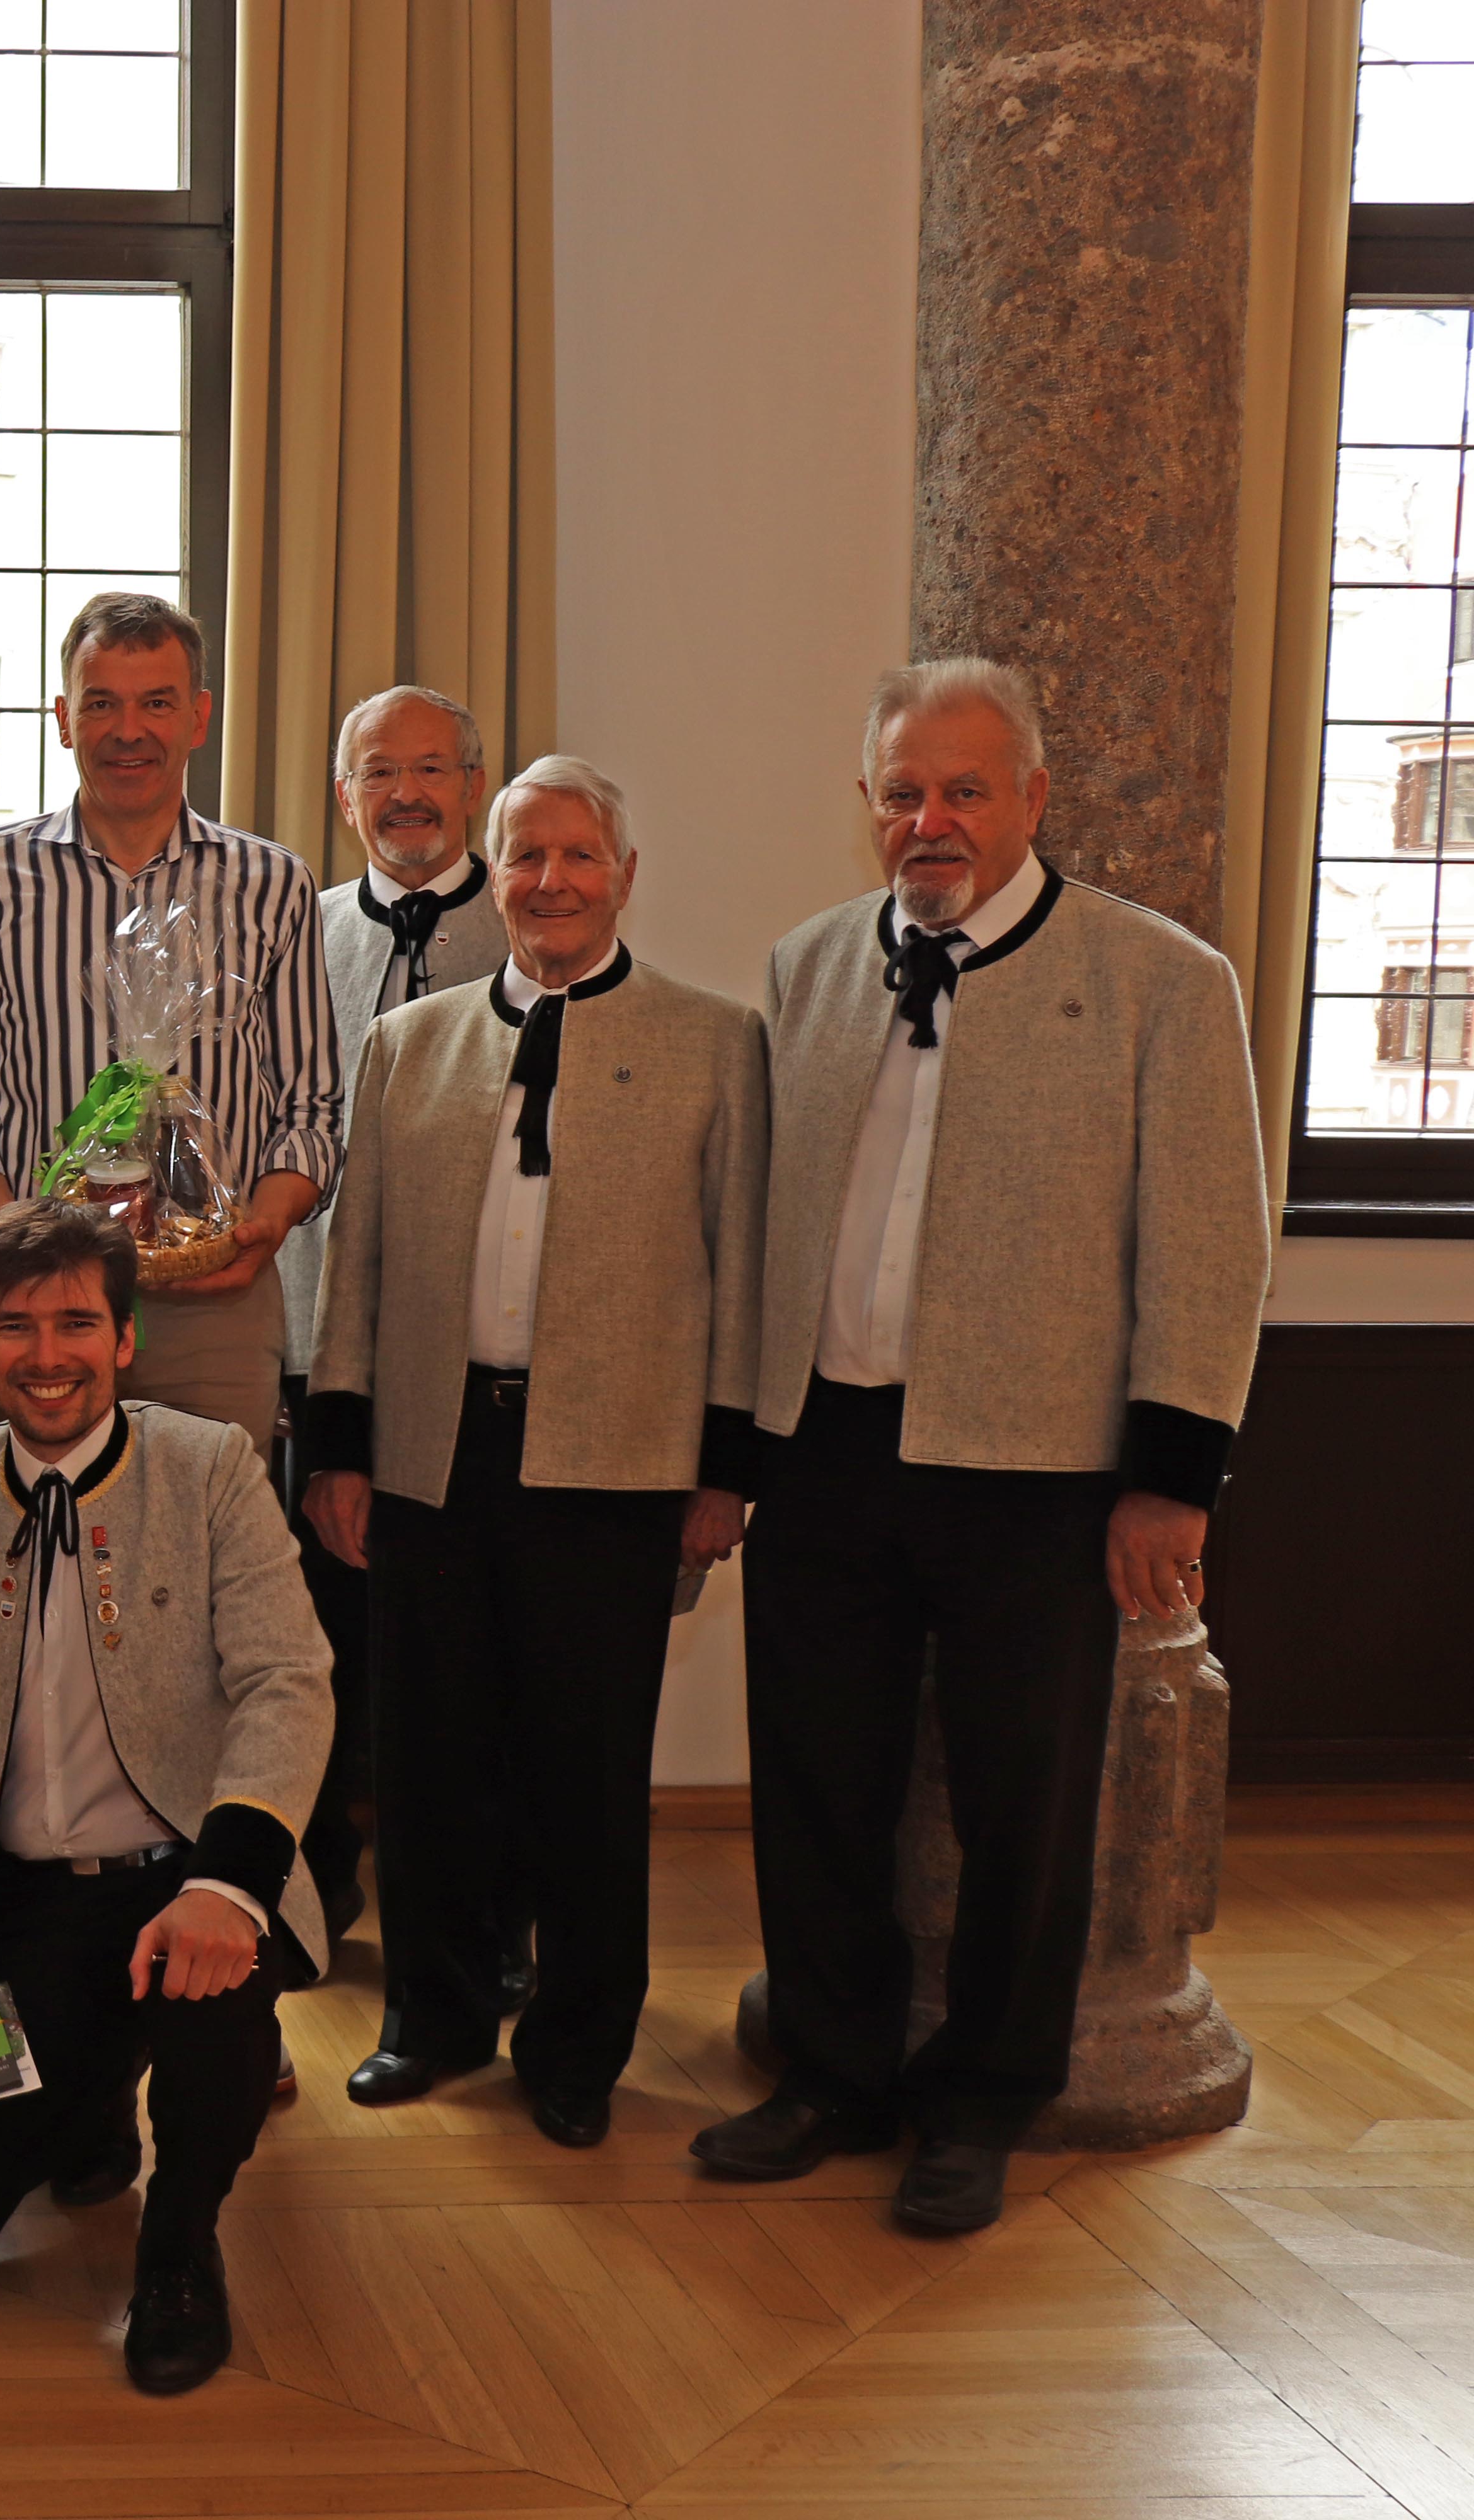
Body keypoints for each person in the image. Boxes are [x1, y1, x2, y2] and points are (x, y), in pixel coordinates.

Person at [694, 657, 1271, 2236]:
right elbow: (760, 1233)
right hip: (827, 1447)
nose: (930, 819)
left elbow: (1214, 1245)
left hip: (1042, 1463)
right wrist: (735, 1453)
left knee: (1027, 1802)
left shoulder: (1161, 978)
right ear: (867, 803)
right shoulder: (808, 966)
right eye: (901, 790)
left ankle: (982, 2098)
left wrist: (1173, 1475)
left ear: (1032, 797)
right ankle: (830, 2071)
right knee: (819, 1779)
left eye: (963, 788)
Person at [302, 757, 766, 2146]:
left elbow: (741, 1269)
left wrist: (724, 1468)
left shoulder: (713, 1039)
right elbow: (359, 1262)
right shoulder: (411, 1042)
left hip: (615, 1469)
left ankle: (577, 2045)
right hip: (434, 1457)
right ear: (490, 876)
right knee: (428, 1756)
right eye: (524, 858)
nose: (549, 881)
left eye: (576, 855)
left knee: (583, 1771)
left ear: (624, 872)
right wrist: (339, 1443)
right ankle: (432, 2018)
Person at [0, 1199, 331, 2398]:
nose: (46, 1355)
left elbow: (288, 1679)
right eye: (17, 1327)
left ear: (126, 1341)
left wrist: (229, 1882)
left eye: (77, 1324)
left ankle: (179, 2247)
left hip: (189, 1887)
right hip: (15, 1916)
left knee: (219, 1989)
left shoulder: (211, 1467)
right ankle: (87, 2087)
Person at [0, 592, 338, 1457]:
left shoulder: (273, 882)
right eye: (101, 703)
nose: (128, 729)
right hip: (38, 1307)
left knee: (214, 1554)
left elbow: (313, 1105)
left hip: (216, 1296)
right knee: (42, 1552)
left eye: (156, 703)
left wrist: (265, 1224)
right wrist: (10, 1233)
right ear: (64, 719)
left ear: (199, 717)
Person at [276, 685, 509, 1949]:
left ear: (474, 787)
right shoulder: (293, 938)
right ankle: (317, 1893)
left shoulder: (531, 921)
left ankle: (472, 1926)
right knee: (313, 1650)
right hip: (318, 1350)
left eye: (431, 769)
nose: (406, 793)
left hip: (476, 1358)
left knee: (465, 1666)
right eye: (380, 770)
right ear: (342, 791)